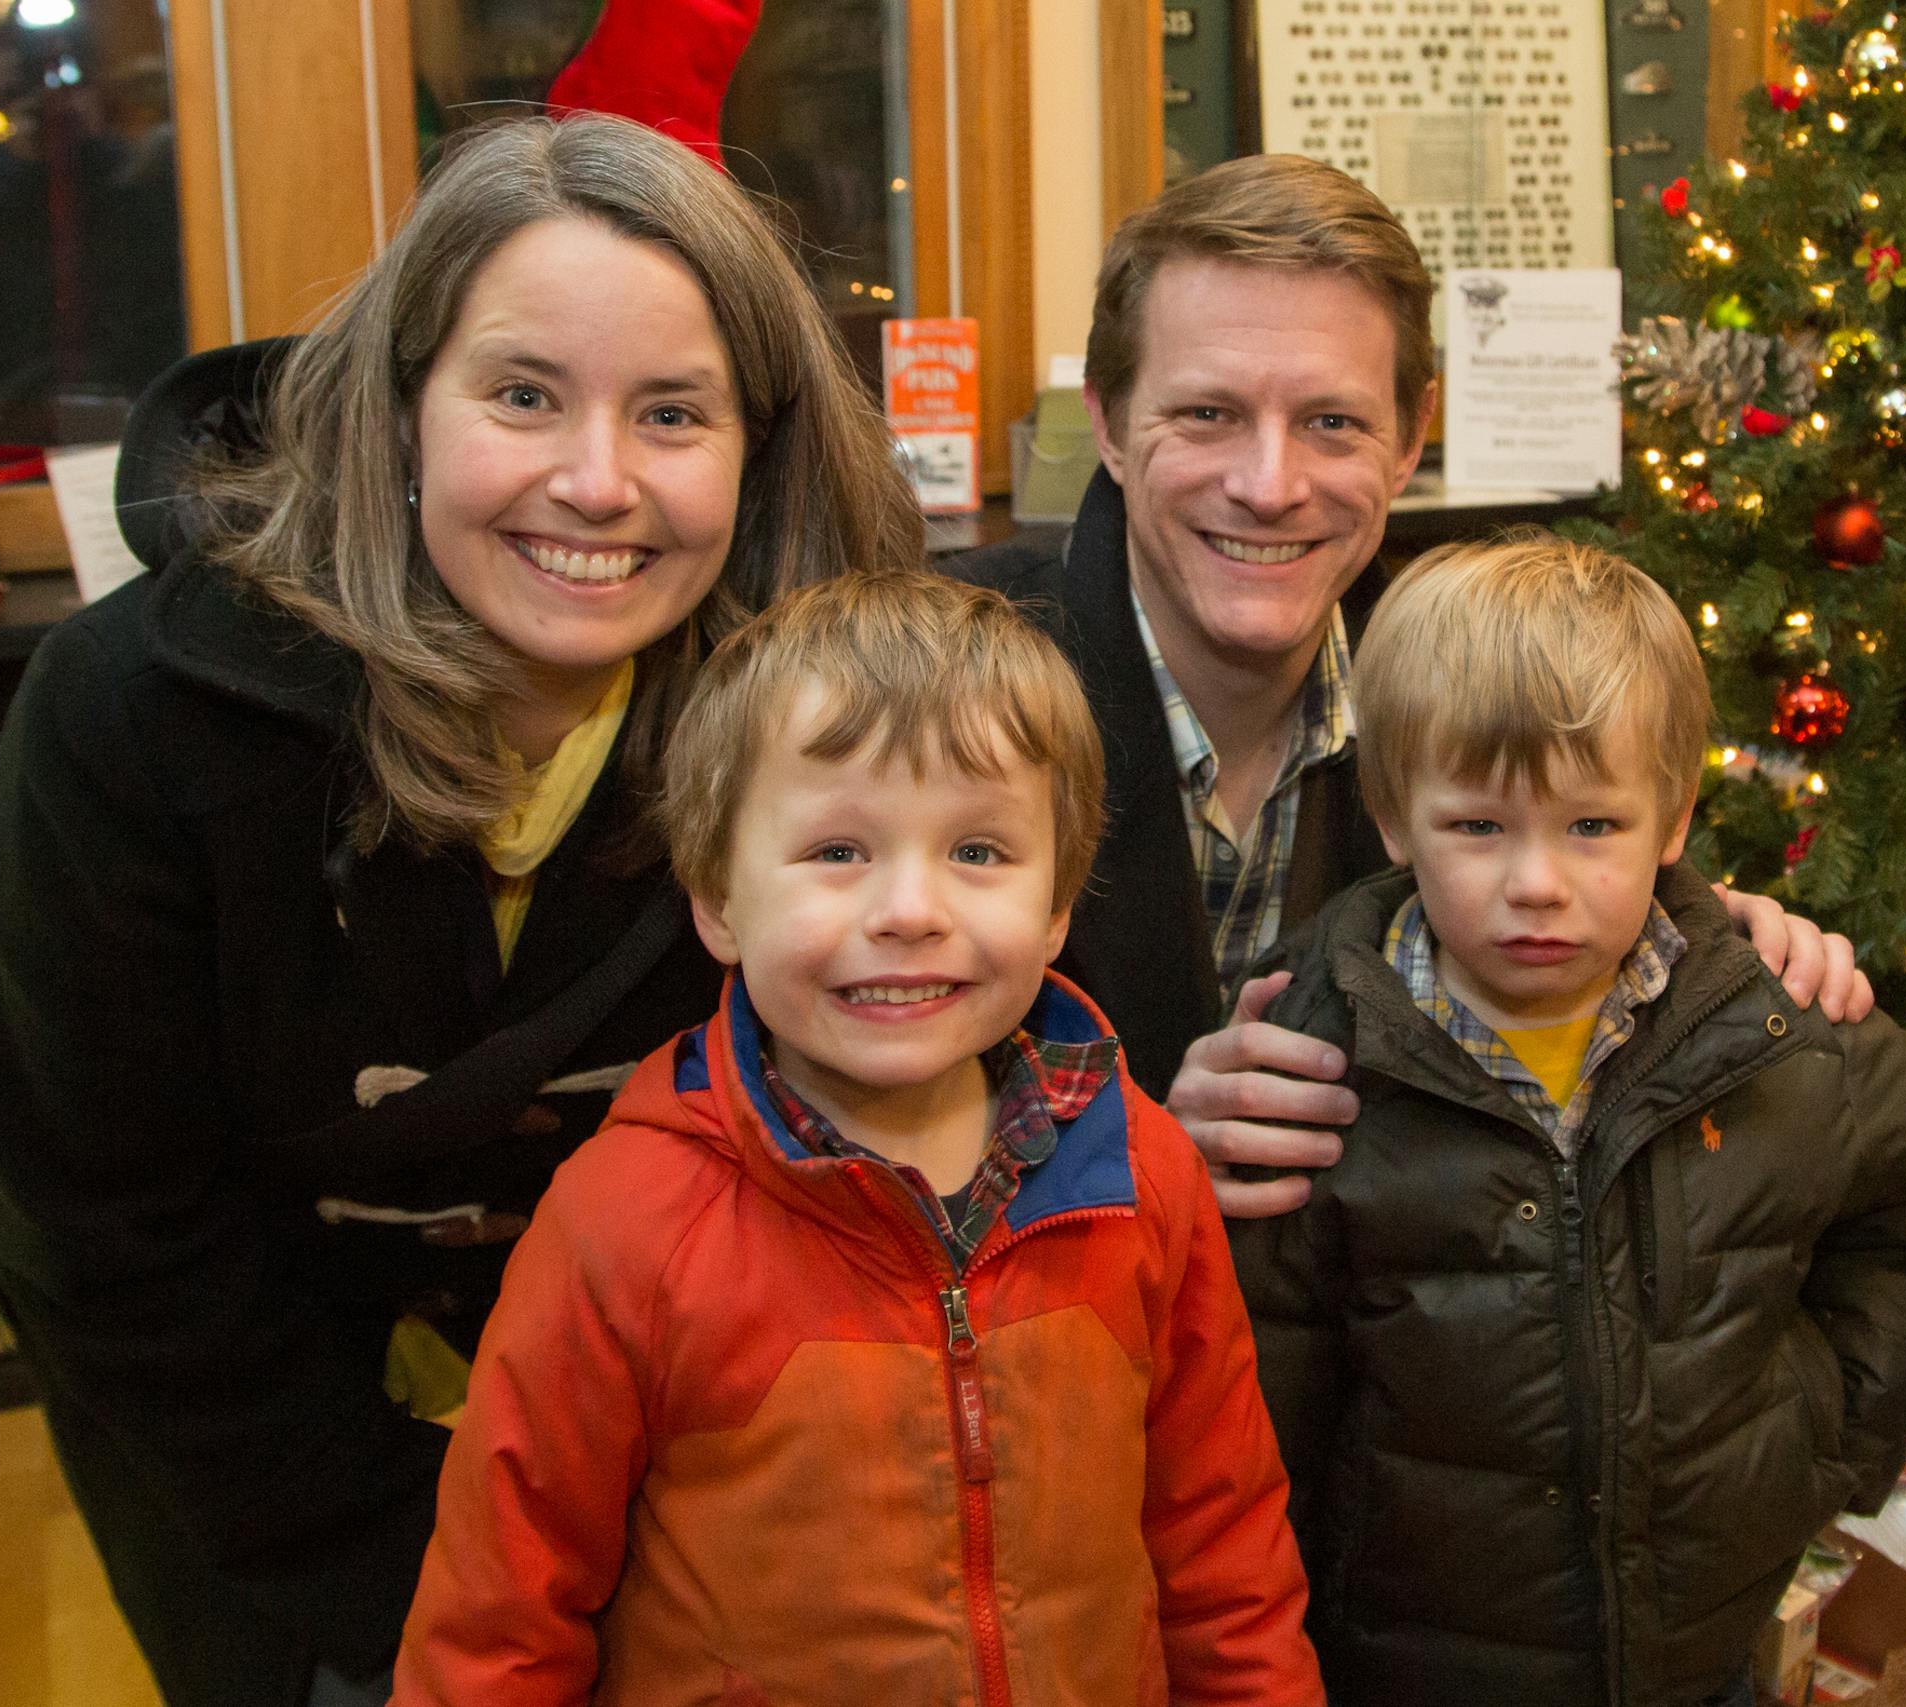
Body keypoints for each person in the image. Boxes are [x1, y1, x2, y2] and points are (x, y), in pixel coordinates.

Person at [0, 115, 919, 1707]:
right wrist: (422, 1563)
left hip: (694, 1489)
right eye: (524, 394)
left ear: (756, 448)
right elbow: (108, 1230)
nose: (596, 481)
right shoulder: (132, 709)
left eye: (672, 411)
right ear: (404, 405)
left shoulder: (831, 709)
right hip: (268, 1475)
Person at [392, 570, 1324, 1706]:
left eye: (978, 853)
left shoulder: (1141, 1173)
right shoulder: (622, 1221)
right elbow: (499, 1624)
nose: (909, 910)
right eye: (839, 851)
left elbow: (1223, 1550)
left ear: (1059, 905)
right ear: (719, 899)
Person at [949, 153, 1873, 1217]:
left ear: (1410, 436)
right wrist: (1129, 1154)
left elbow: (1583, 907)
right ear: (1108, 423)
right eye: (1205, 414)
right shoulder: (954, 677)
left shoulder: (1463, 672)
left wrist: (1727, 951)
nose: (1269, 485)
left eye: (1332, 422)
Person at [1229, 535, 1906, 1706]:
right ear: (1392, 818)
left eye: (1592, 828)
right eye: (1479, 827)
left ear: (1673, 819)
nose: (1538, 881)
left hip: (1700, 1653)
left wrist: (1819, 1444)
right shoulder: (1311, 1060)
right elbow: (1261, 1370)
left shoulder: (1784, 1035)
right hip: (1407, 1659)